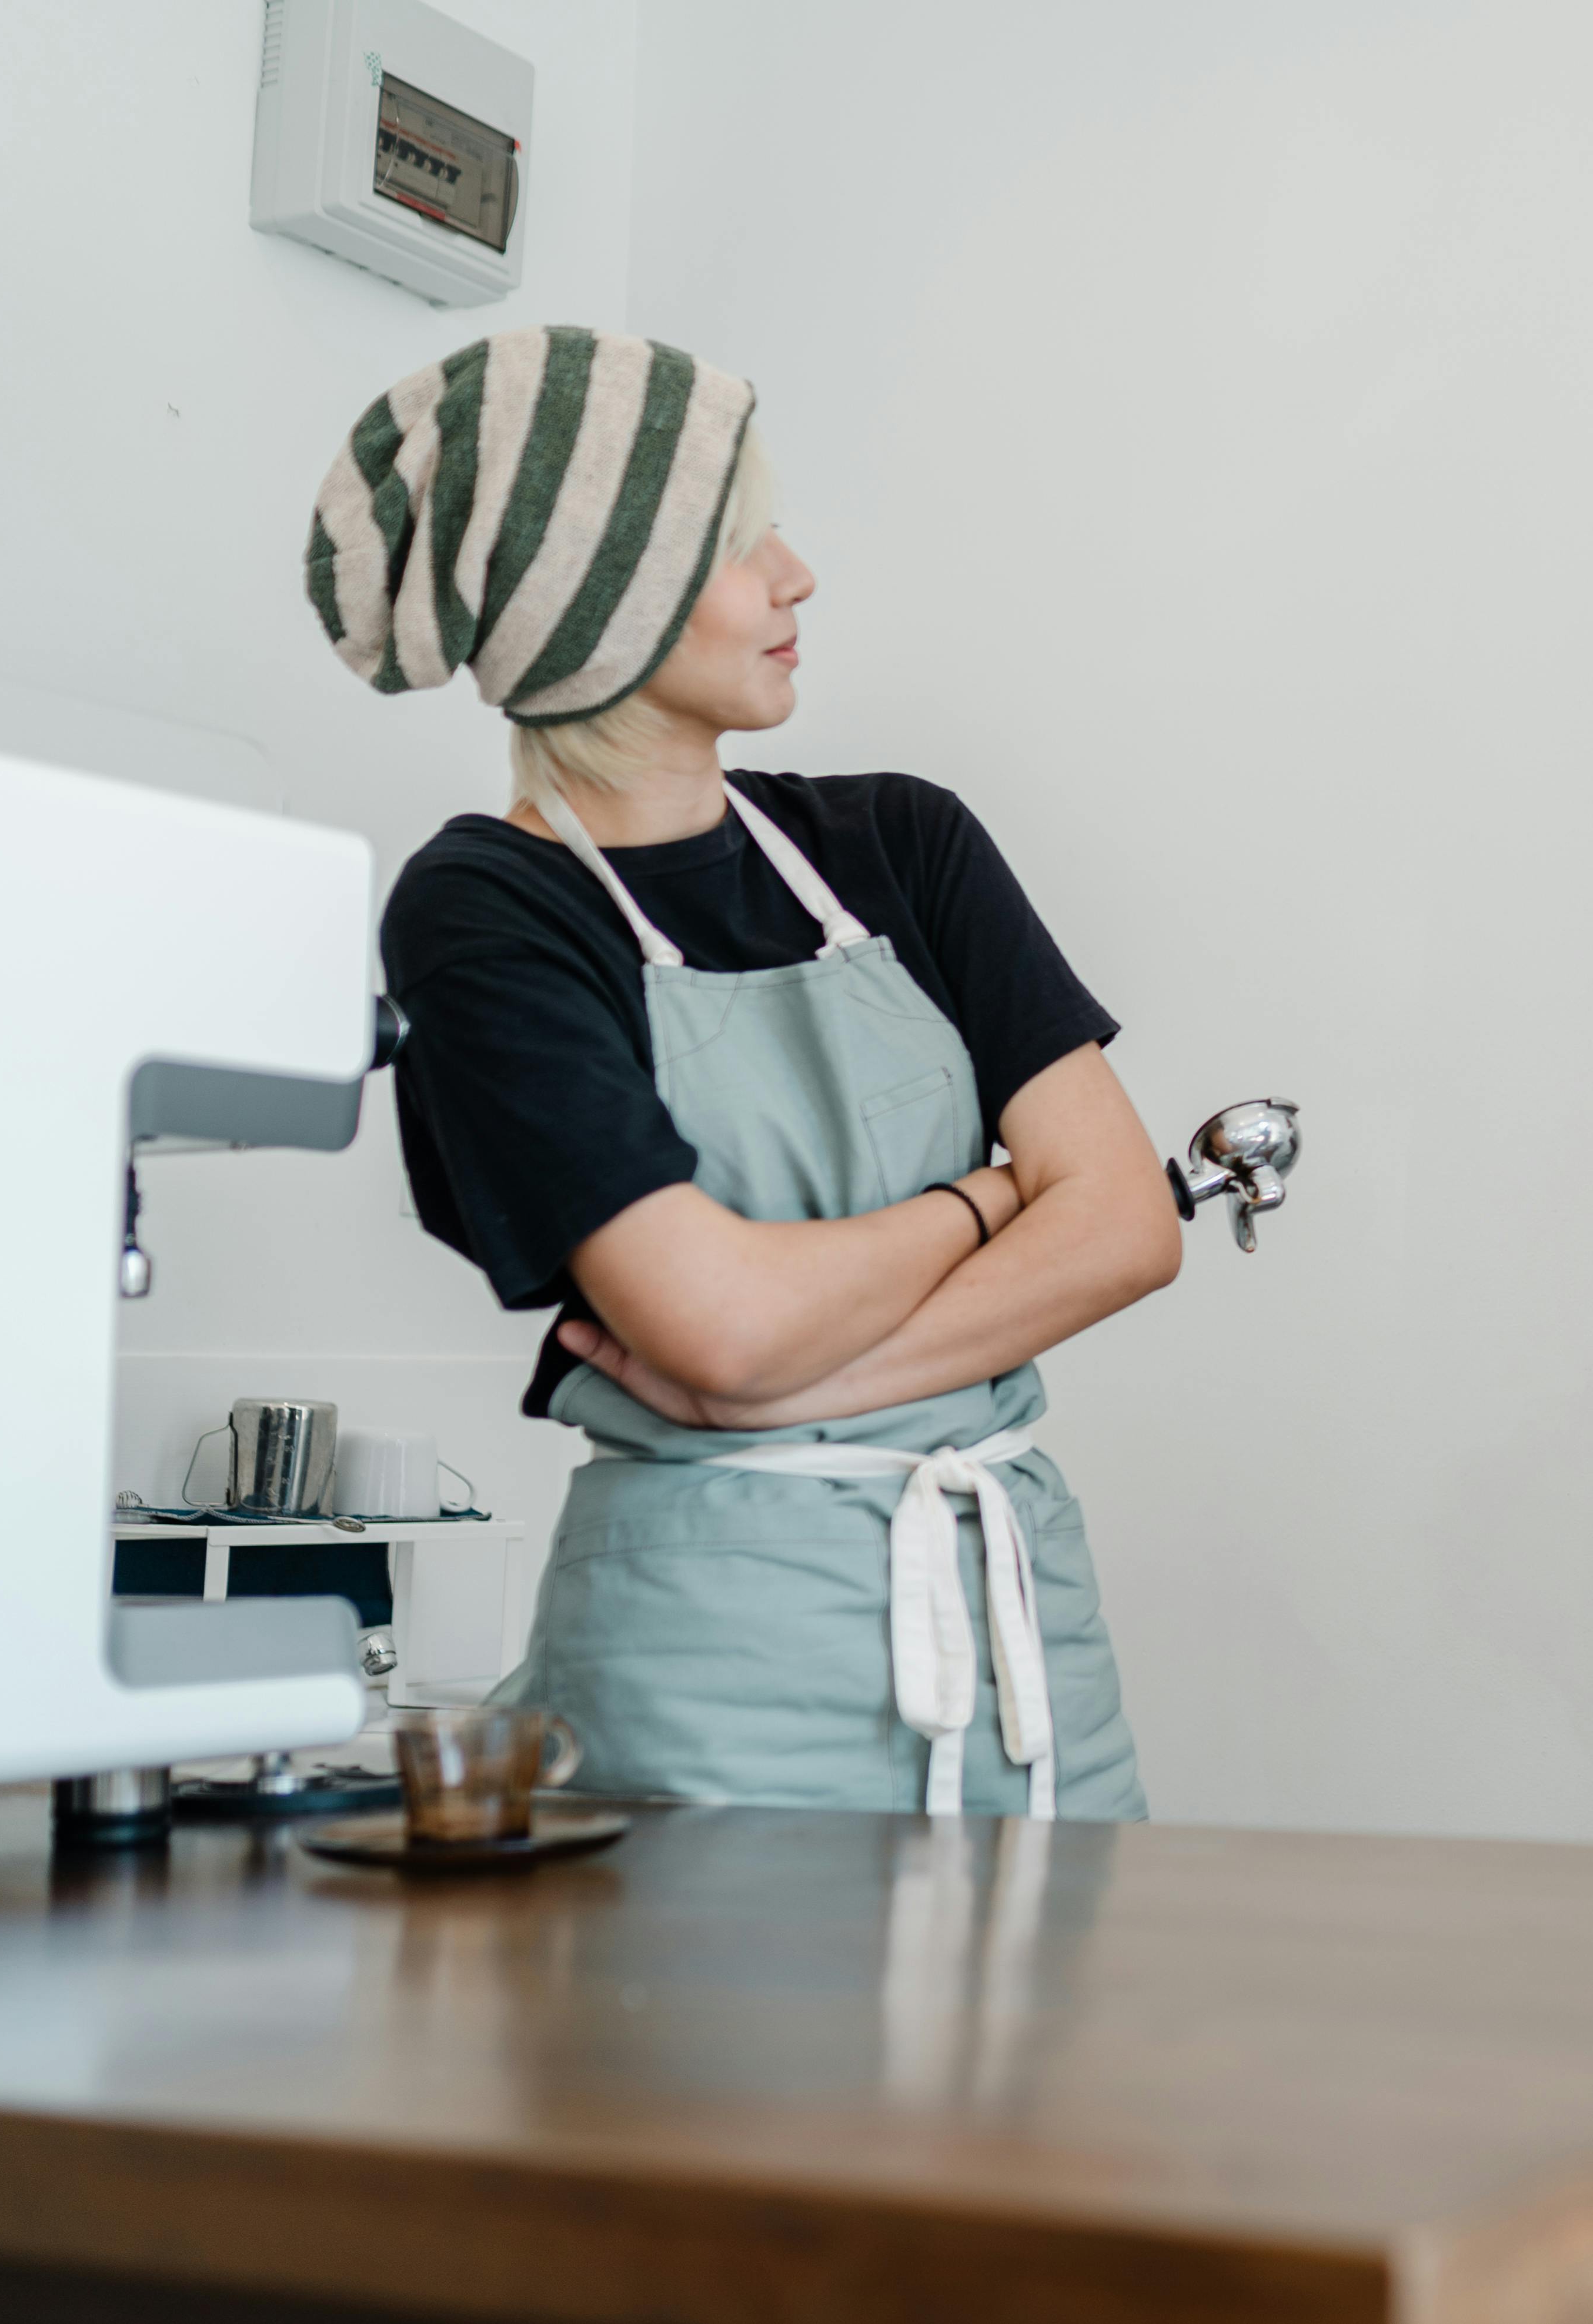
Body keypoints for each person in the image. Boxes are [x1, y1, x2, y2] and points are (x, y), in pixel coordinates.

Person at [318, 327, 1178, 1820]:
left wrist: (776, 1387)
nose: (798, 576)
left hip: (1015, 1638)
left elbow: (1125, 1227)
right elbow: (712, 1326)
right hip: (709, 1682)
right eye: (739, 542)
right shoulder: (486, 912)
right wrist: (984, 1202)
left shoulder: (903, 842)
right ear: (595, 604)